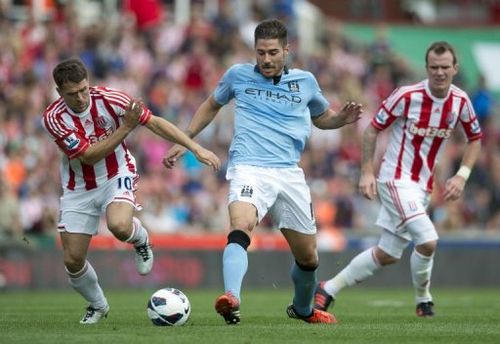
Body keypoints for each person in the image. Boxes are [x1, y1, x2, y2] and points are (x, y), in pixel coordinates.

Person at [163, 19, 363, 325]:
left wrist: (342, 120)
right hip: (249, 167)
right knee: (241, 224)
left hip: (288, 173)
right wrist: (186, 139)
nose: (266, 59)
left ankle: (304, 309)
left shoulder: (306, 81)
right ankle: (232, 299)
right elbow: (210, 105)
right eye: (260, 52)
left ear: (286, 49)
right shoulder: (237, 75)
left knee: (308, 257)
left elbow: (322, 118)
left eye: (272, 52)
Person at [41, 58, 221, 324]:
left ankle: (140, 239)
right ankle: (98, 305)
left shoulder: (110, 99)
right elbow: (89, 156)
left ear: (88, 82)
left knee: (119, 226)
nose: (80, 98)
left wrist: (195, 148)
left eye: (83, 89)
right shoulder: (53, 118)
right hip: (78, 187)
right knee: (72, 259)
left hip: (117, 174)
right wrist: (126, 127)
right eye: (72, 94)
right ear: (59, 93)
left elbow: (155, 122)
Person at [314, 41, 482, 318]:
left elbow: (475, 139)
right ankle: (424, 301)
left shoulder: (460, 101)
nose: (439, 73)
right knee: (428, 240)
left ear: (455, 68)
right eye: (434, 67)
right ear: (426, 68)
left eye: (444, 67)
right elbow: (371, 131)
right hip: (395, 179)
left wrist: (462, 176)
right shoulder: (407, 95)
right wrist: (367, 171)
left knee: (388, 254)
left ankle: (328, 288)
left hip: (422, 187)